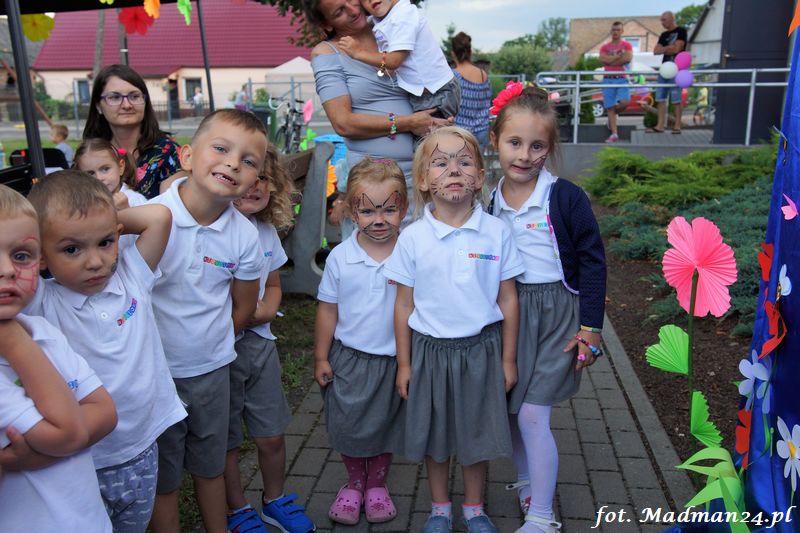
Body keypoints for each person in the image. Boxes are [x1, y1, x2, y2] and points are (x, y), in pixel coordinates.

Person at [23, 171, 187, 533]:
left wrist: (105, 220)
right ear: (41, 256)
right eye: (72, 249)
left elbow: (159, 217)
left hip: (142, 446)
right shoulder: (42, 302)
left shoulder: (131, 276)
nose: (95, 261)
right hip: (83, 458)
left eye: (105, 242)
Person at [385, 126, 524, 533]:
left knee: (476, 437)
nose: (453, 170)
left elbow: (508, 299)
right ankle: (441, 508)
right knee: (437, 436)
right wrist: (404, 364)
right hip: (430, 353)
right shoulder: (412, 238)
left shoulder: (497, 233)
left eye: (464, 162)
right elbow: (403, 304)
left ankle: (474, 508)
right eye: (440, 163)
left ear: (479, 177)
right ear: (423, 180)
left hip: (481, 352)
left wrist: (508, 359)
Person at [486, 85, 606, 533]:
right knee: (512, 410)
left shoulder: (566, 197)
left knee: (533, 414)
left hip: (557, 317)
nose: (524, 155)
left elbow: (593, 260)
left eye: (537, 146)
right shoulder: (490, 200)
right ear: (495, 141)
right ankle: (527, 484)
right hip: (510, 316)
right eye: (514, 143)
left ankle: (541, 517)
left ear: (550, 148)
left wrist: (591, 327)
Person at [147, 108, 267, 533]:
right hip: (155, 375)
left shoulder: (244, 235)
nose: (233, 163)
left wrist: (214, 342)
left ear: (255, 180)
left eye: (248, 160)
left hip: (213, 372)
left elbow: (244, 307)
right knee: (163, 480)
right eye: (220, 149)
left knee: (210, 467)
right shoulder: (150, 217)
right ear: (186, 157)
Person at [0, 184, 117, 532]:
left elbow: (105, 412)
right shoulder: (21, 338)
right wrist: (13, 342)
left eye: (21, 256)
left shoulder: (40, 331)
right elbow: (69, 433)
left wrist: (35, 455)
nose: (7, 270)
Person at [223, 144, 315, 533]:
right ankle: (236, 508)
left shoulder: (265, 232)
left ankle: (273, 500)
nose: (255, 184)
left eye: (263, 177)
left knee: (272, 434)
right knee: (225, 439)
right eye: (245, 175)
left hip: (259, 345)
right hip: (222, 351)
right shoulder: (215, 232)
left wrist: (262, 313)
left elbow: (273, 284)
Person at [314, 158, 408, 526]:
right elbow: (327, 310)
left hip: (394, 360)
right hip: (349, 360)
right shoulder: (340, 257)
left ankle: (376, 485)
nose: (378, 219)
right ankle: (354, 483)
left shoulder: (411, 251)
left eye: (389, 209)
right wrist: (321, 357)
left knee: (385, 426)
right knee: (349, 425)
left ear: (404, 208)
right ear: (352, 212)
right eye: (367, 211)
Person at [305, 0, 452, 226]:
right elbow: (343, 123)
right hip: (375, 180)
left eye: (351, 0)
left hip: (425, 172)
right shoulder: (327, 53)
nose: (353, 10)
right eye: (339, 11)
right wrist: (408, 123)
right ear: (327, 23)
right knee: (383, 244)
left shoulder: (390, 30)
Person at [337, 0, 460, 122]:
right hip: (422, 93)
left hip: (437, 93)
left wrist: (358, 53)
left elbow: (394, 61)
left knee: (434, 133)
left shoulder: (403, 15)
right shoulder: (380, 18)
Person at [84, 64, 181, 199]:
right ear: (98, 106)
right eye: (115, 97)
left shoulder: (168, 152)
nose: (127, 105)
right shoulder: (89, 153)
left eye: (134, 96)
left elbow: (172, 208)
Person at [75, 138, 147, 209]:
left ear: (120, 167)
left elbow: (145, 217)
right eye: (90, 173)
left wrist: (126, 209)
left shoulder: (134, 200)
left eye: (105, 169)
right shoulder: (82, 203)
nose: (99, 178)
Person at [451, 31, 492, 152]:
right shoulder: (483, 75)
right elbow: (488, 101)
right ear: (470, 52)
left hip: (460, 133)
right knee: (478, 163)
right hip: (482, 132)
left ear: (453, 53)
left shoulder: (453, 76)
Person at [649, 11, 687, 134]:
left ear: (671, 19)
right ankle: (660, 125)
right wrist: (668, 48)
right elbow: (655, 51)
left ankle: (677, 125)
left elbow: (677, 49)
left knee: (676, 99)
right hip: (664, 68)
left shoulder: (681, 31)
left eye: (664, 20)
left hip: (676, 68)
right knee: (660, 97)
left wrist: (664, 49)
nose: (662, 22)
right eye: (661, 20)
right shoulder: (663, 35)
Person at [599, 22, 633, 143]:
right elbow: (602, 59)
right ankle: (614, 134)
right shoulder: (605, 47)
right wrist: (618, 57)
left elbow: (627, 59)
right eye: (613, 30)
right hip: (608, 79)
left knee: (625, 102)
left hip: (621, 78)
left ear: (622, 31)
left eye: (618, 30)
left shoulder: (627, 45)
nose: (615, 32)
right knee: (610, 106)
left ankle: (611, 116)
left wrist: (610, 61)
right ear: (611, 31)